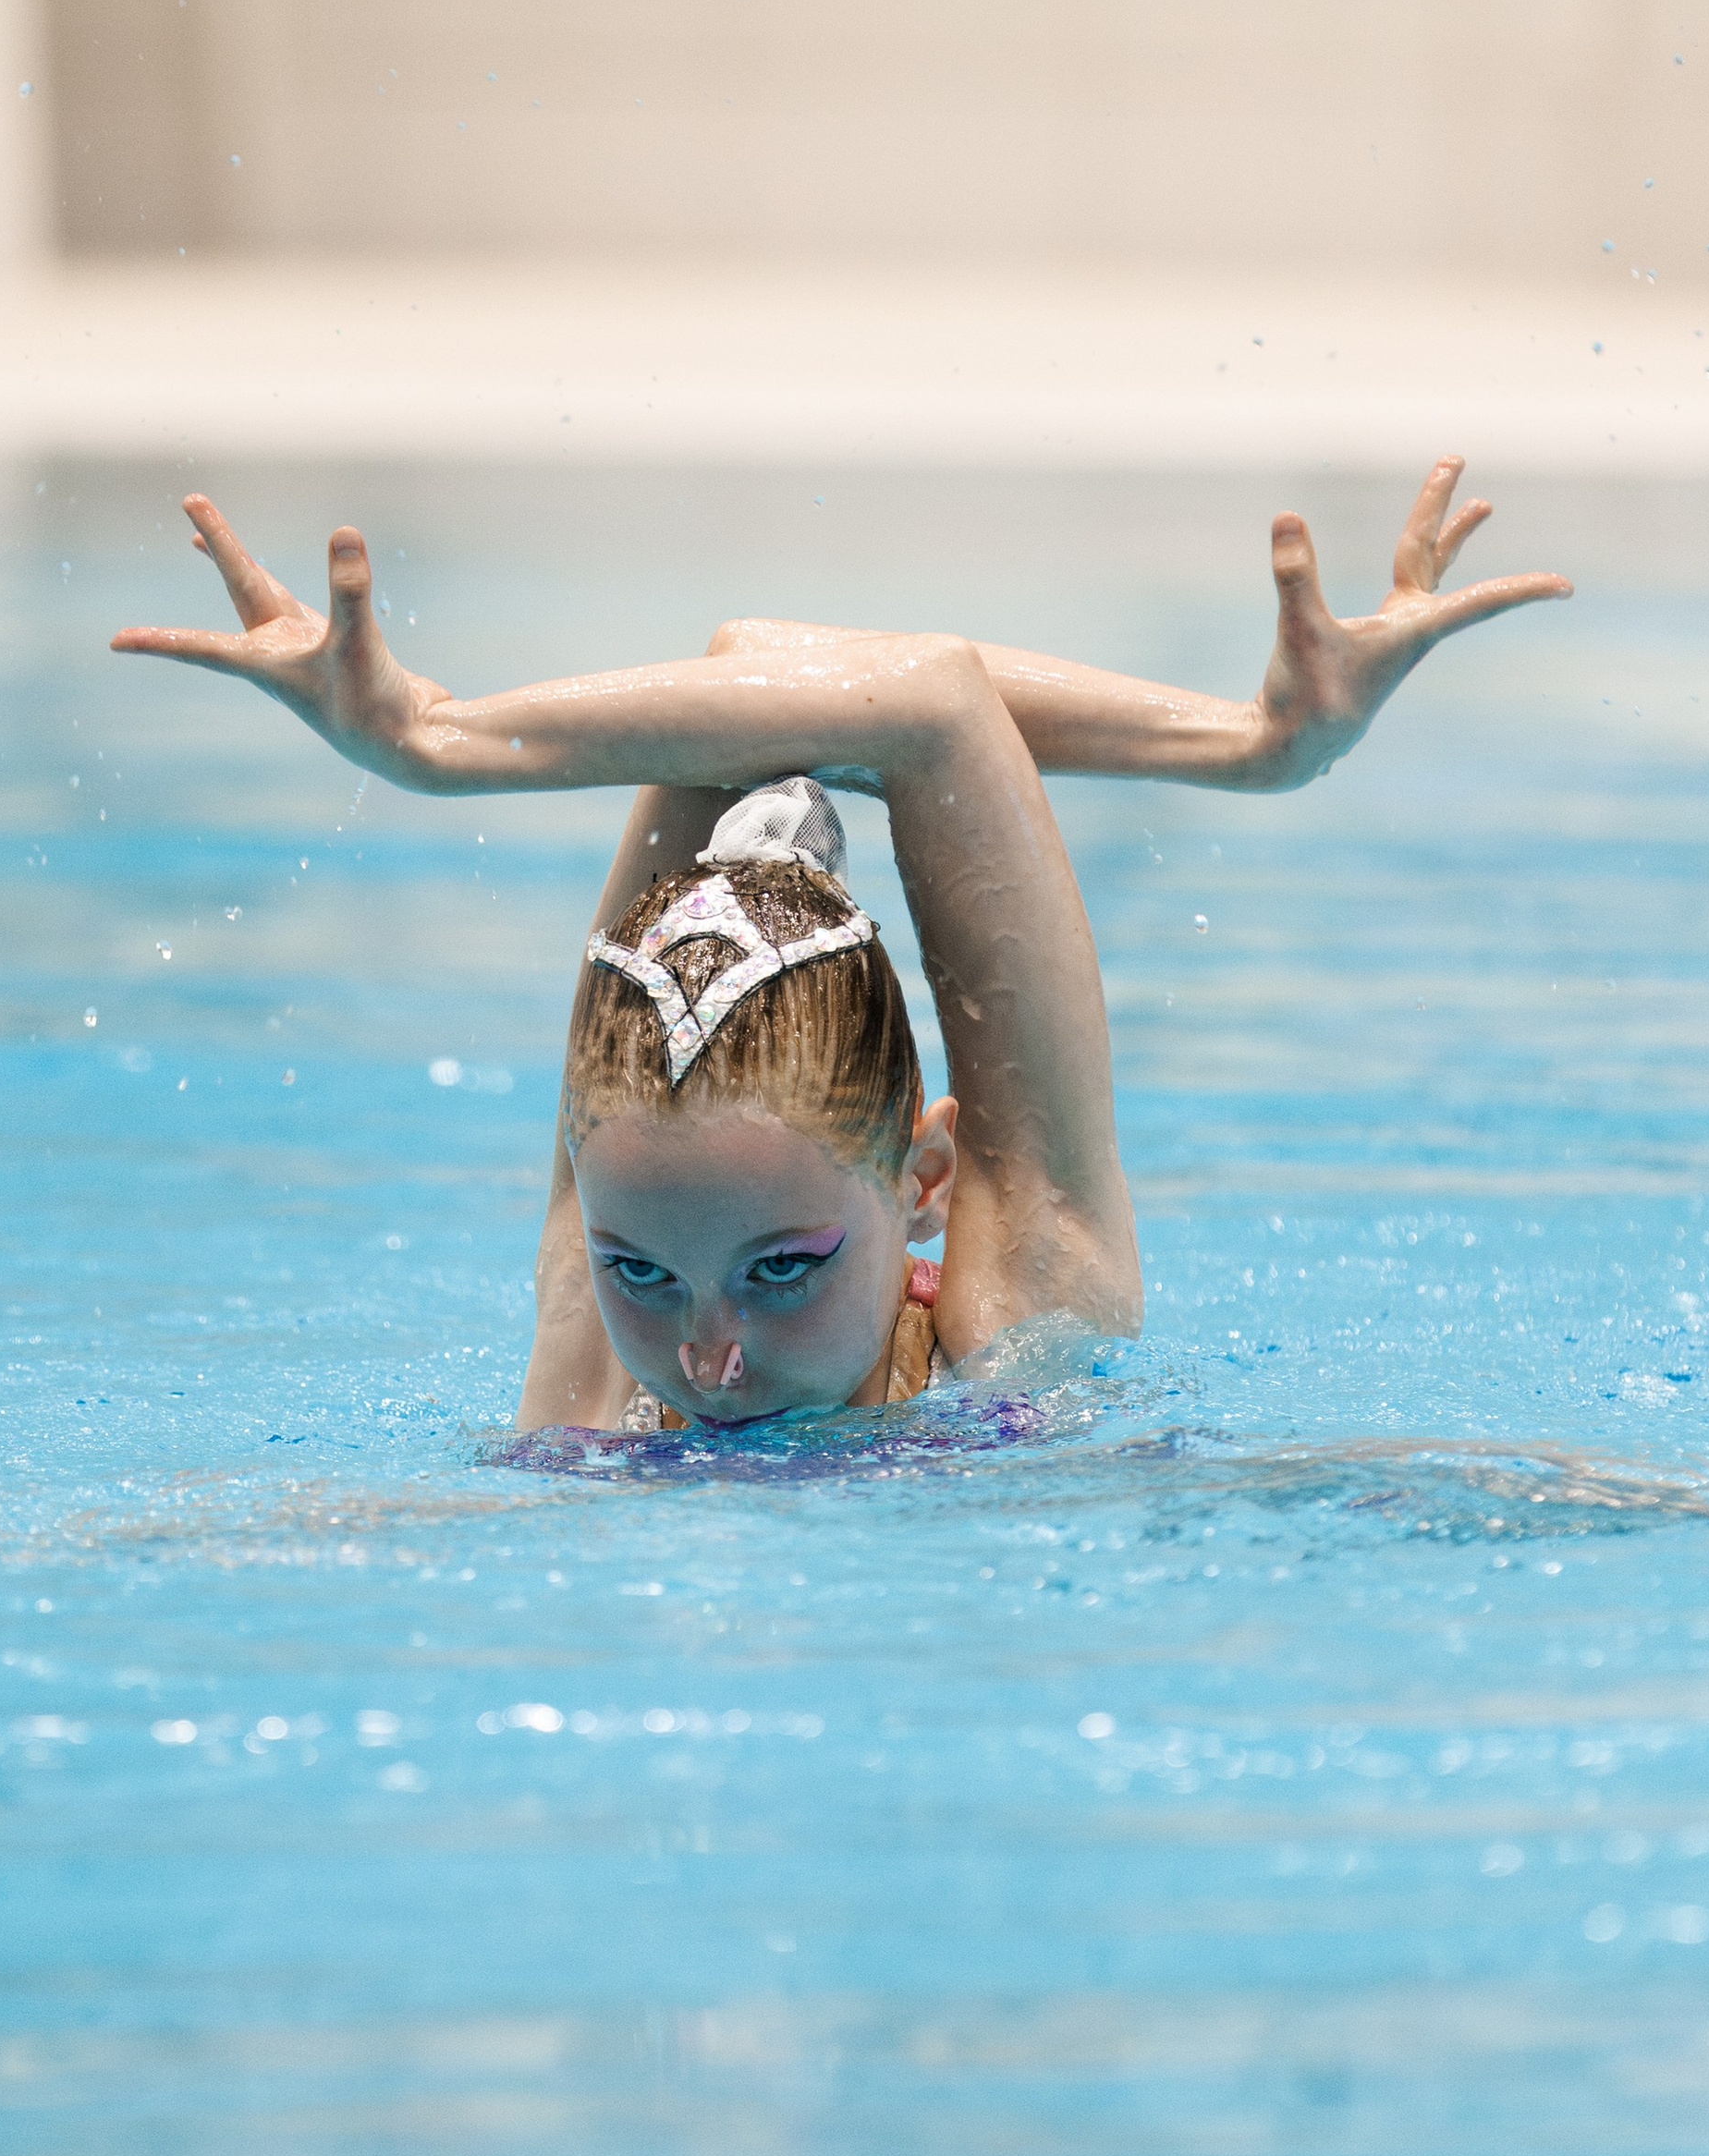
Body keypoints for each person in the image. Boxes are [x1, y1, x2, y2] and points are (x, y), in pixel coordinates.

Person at [112, 457, 1569, 1433]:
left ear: (925, 1180)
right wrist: (1236, 743)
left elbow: (920, 705)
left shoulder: (1012, 1329)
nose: (706, 1355)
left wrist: (440, 742)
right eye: (636, 1270)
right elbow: (759, 681)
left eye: (784, 1269)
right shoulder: (588, 1374)